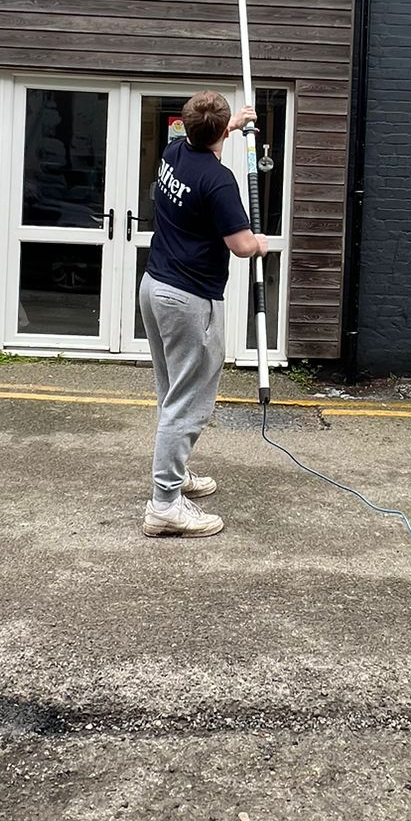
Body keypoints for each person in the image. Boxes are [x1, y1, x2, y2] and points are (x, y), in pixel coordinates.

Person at [139, 89, 269, 537]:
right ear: (221, 132)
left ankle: (174, 477)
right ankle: (164, 505)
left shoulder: (175, 152)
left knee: (172, 393)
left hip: (154, 287)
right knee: (188, 403)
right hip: (188, 300)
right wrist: (260, 243)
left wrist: (229, 126)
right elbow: (240, 245)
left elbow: (202, 139)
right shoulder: (219, 181)